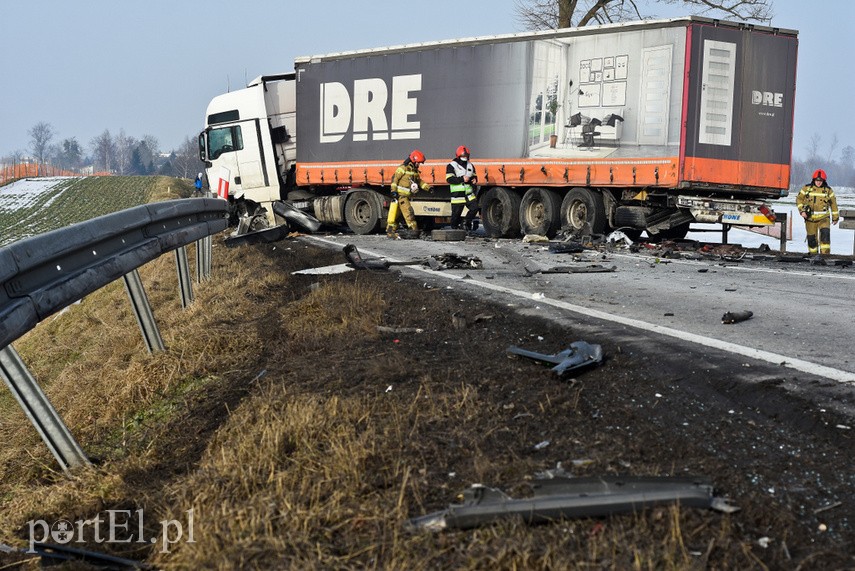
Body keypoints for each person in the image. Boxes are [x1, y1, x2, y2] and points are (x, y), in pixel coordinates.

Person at [386, 150, 432, 239]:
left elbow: (419, 182)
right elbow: (394, 180)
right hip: (401, 196)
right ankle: (414, 231)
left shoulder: (414, 171)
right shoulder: (403, 168)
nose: (419, 165)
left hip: (404, 196)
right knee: (409, 212)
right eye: (418, 163)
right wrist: (393, 191)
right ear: (413, 160)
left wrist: (428, 188)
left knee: (396, 215)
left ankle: (390, 231)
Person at [796, 169, 839, 254]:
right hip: (810, 219)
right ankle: (813, 256)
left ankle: (825, 256)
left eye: (820, 181)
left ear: (824, 181)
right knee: (812, 240)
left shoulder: (828, 190)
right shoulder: (806, 188)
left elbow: (833, 204)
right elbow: (799, 199)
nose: (818, 182)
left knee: (825, 236)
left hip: (824, 218)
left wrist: (835, 217)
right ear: (814, 180)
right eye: (817, 180)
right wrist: (802, 211)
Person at [445, 145, 480, 231]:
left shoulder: (470, 165)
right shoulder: (452, 165)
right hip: (457, 195)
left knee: (474, 208)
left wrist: (474, 180)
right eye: (463, 156)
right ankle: (454, 229)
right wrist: (462, 179)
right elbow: (449, 179)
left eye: (466, 156)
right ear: (458, 156)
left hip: (468, 194)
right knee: (455, 216)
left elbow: (474, 176)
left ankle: (465, 223)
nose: (465, 158)